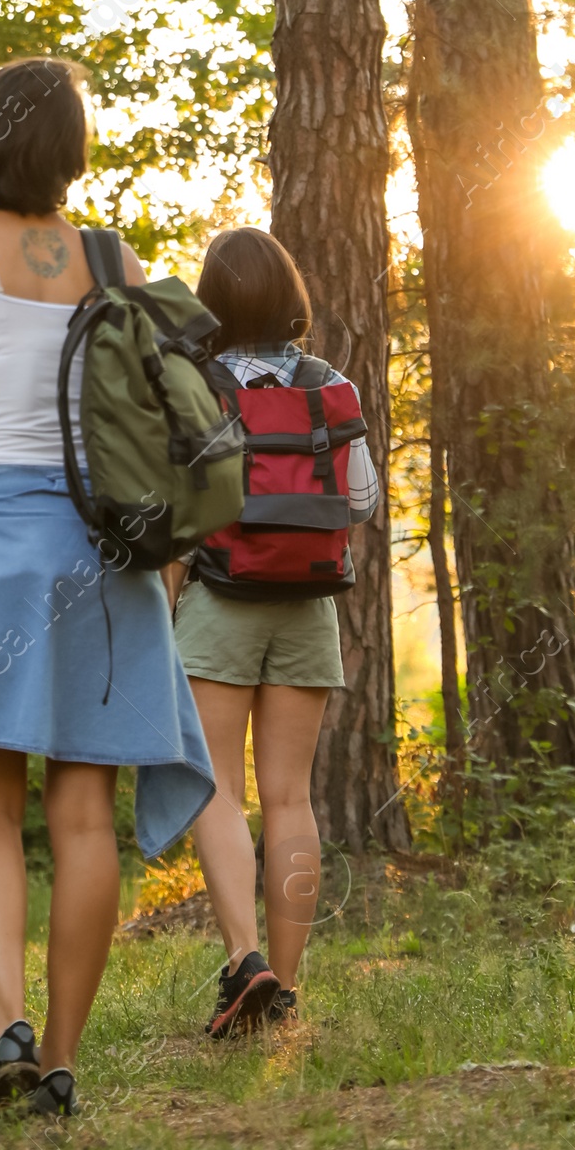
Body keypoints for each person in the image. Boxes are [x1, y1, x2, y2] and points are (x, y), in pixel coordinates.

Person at [0, 57, 214, 1121]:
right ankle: (59, 1061)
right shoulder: (114, 257)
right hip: (106, 556)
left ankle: (5, 1025)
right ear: (70, 150)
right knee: (84, 817)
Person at [168, 227, 380, 1039]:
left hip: (222, 598)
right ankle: (284, 991)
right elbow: (357, 502)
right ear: (289, 295)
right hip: (309, 605)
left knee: (215, 786)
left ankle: (243, 960)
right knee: (291, 796)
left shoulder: (198, 384)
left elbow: (181, 510)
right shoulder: (334, 387)